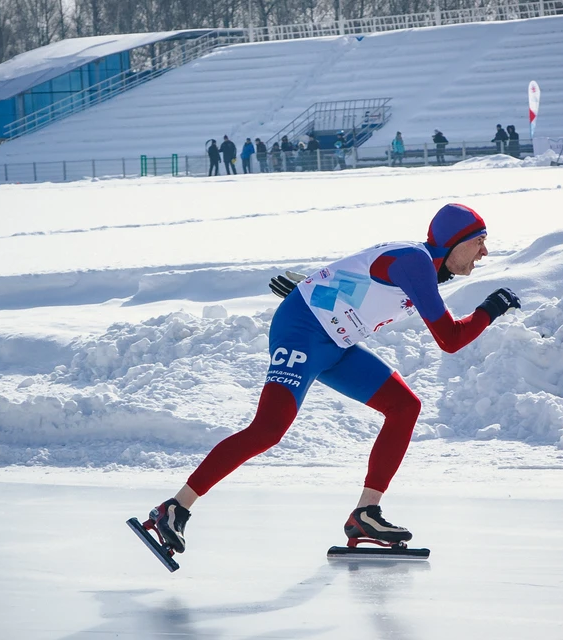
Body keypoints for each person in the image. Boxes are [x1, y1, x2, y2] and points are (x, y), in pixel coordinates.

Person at [143, 203, 521, 556]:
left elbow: (355, 277)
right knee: (268, 429)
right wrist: (490, 309)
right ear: (453, 241)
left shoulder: (420, 265)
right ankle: (174, 508)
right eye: (479, 242)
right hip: (302, 333)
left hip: (334, 340)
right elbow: (450, 339)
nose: (484, 253)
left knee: (405, 406)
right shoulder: (416, 261)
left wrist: (306, 288)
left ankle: (366, 515)